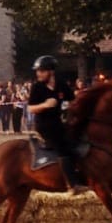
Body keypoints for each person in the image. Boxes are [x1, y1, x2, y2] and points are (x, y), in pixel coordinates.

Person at [26, 55, 84, 194]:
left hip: (59, 123)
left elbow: (72, 99)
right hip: (44, 127)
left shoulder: (61, 84)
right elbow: (30, 108)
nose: (38, 74)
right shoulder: (37, 87)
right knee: (62, 147)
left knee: (78, 140)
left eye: (41, 71)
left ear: (51, 71)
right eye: (38, 71)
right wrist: (45, 105)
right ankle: (71, 185)